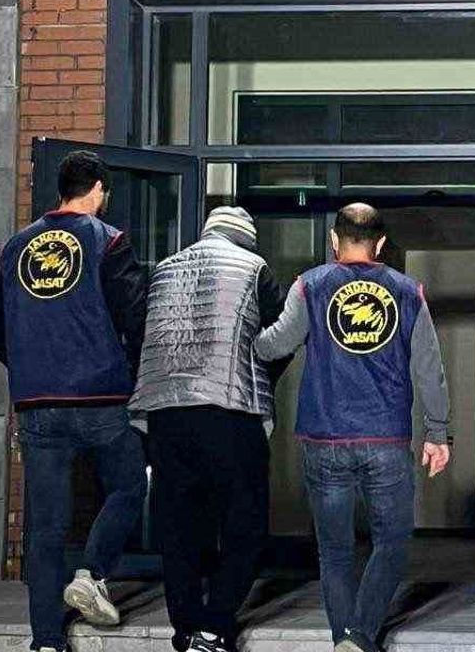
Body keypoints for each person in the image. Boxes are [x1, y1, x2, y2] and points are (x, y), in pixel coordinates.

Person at [254, 202, 452, 652]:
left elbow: (276, 345)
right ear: (380, 244)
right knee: (392, 542)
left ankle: (347, 637)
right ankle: (358, 637)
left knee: (335, 551)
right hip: (386, 438)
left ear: (333, 239)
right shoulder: (408, 292)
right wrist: (437, 433)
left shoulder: (311, 285)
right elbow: (429, 367)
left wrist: (248, 336)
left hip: (324, 437)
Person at [0, 150, 149, 652]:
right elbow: (135, 316)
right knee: (129, 484)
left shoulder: (15, 248)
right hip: (100, 396)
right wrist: (129, 372)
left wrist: (34, 371)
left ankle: (46, 640)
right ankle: (92, 573)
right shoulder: (108, 240)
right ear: (97, 188)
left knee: (46, 526)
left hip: (37, 404)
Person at [128, 206, 288, 652]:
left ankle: (185, 629)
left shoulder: (163, 269)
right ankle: (216, 625)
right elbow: (281, 337)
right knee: (245, 521)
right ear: (245, 239)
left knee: (178, 526)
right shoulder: (253, 268)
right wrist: (262, 381)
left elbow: (140, 334)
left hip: (165, 412)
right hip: (228, 408)